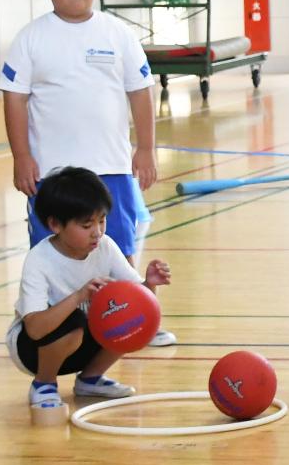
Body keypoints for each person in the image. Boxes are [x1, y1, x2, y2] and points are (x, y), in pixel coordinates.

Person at [0, 0, 175, 347]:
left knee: (120, 249)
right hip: (52, 173)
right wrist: (21, 156)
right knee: (50, 253)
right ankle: (50, 327)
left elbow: (140, 90)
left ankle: (134, 316)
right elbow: (14, 98)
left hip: (110, 167)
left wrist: (145, 148)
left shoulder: (118, 33)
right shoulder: (30, 38)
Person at [9, 168, 171, 415]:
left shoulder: (105, 246)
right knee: (73, 321)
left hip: (81, 339)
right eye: (87, 224)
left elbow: (140, 304)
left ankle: (90, 379)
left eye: (102, 220)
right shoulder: (39, 259)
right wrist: (78, 297)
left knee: (128, 315)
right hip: (33, 349)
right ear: (55, 224)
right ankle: (43, 384)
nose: (97, 231)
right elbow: (34, 327)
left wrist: (150, 285)